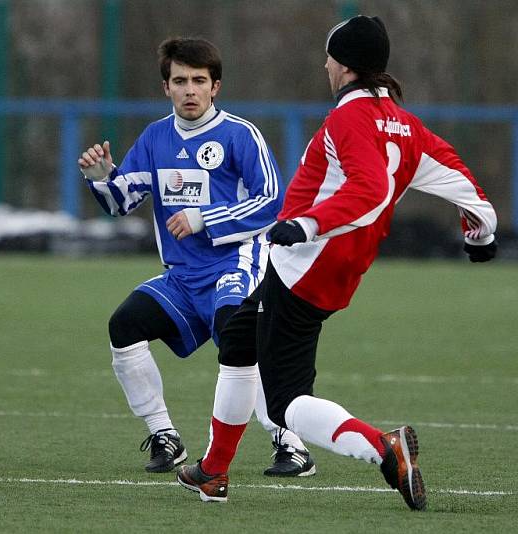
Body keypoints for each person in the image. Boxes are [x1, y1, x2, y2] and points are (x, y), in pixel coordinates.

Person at [177, 15, 498, 508]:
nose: (325, 64)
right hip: (329, 269)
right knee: (239, 344)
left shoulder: (348, 117)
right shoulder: (404, 125)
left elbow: (370, 190)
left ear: (345, 65)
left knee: (285, 405)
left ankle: (382, 447)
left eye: (329, 55)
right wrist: (480, 229)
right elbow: (454, 173)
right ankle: (214, 470)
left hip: (304, 266)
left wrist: (307, 224)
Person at [78, 37, 317, 478]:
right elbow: (122, 201)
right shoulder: (154, 138)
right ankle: (164, 435)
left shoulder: (240, 135)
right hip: (182, 278)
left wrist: (205, 218)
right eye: (180, 81)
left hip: (235, 266)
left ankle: (290, 443)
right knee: (124, 325)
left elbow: (272, 203)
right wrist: (102, 178)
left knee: (238, 338)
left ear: (216, 87)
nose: (190, 90)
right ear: (165, 87)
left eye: (199, 81)